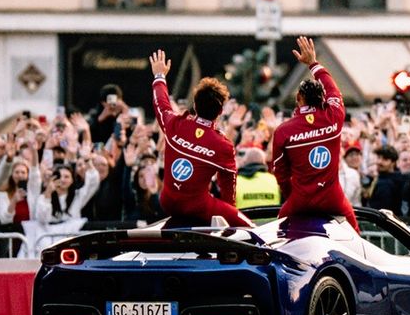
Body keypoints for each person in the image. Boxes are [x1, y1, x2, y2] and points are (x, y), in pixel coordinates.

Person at [149, 49, 252, 227]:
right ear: (220, 112)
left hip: (167, 201)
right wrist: (229, 221)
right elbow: (228, 185)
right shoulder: (223, 145)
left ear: (195, 105)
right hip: (196, 207)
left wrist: (159, 76)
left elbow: (161, 103)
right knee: (250, 228)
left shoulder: (176, 124)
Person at [268, 36, 359, 231]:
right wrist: (313, 64)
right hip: (332, 197)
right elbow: (334, 90)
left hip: (299, 200)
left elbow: (280, 172)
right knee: (356, 238)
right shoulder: (334, 116)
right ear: (322, 99)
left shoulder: (284, 130)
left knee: (277, 238)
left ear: (298, 98)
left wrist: (292, 195)